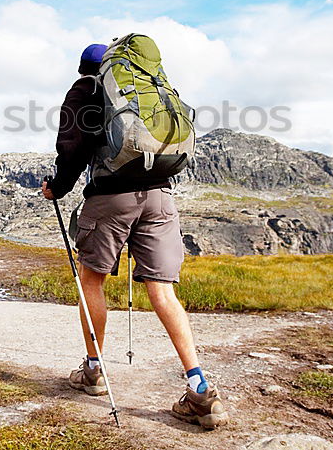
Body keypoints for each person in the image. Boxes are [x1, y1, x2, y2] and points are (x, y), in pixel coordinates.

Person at [40, 42, 229, 430]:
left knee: (91, 279)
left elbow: (72, 151)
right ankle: (200, 389)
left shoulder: (86, 91)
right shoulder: (149, 88)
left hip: (111, 198)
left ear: (83, 68)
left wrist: (56, 189)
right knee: (162, 291)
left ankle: (93, 371)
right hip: (161, 196)